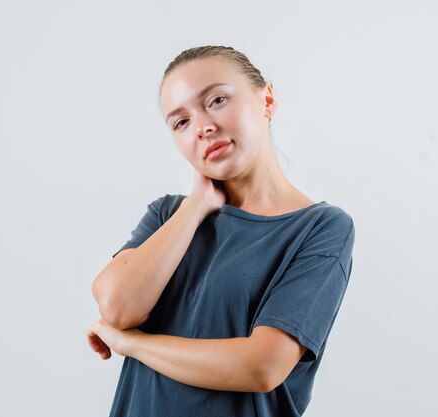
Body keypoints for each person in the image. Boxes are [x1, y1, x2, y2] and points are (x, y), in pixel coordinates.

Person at [86, 45, 356, 417]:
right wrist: (197, 204)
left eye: (216, 100)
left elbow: (262, 366)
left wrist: (131, 344)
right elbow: (116, 307)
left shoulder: (319, 228)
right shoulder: (167, 215)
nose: (202, 127)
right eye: (181, 122)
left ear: (267, 99)